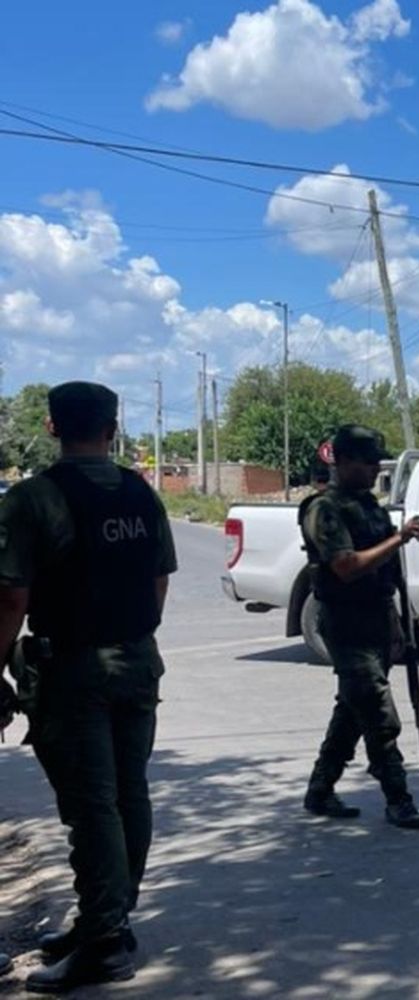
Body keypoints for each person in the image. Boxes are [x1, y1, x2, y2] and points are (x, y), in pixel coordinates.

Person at [0, 381, 176, 992]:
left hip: (74, 672)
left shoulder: (33, 499)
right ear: (113, 427)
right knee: (129, 796)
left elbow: (13, 598)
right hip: (136, 663)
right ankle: (108, 920)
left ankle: (103, 943)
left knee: (91, 807)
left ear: (52, 428)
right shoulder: (139, 492)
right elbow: (159, 581)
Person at [301, 425, 419, 830]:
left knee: (352, 710)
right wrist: (401, 539)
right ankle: (398, 796)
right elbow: (346, 567)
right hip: (345, 621)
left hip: (375, 616)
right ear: (344, 462)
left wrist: (395, 624)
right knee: (375, 709)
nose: (376, 468)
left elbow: (385, 573)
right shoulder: (325, 509)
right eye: (369, 461)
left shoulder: (368, 507)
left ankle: (320, 788)